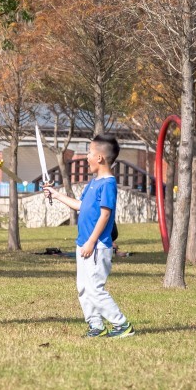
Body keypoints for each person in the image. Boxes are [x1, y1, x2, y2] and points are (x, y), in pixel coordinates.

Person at [44, 134, 134, 339]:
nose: (86, 157)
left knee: (95, 288)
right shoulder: (94, 183)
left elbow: (105, 214)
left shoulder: (108, 184)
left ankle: (122, 325)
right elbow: (81, 206)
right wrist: (57, 195)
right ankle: (96, 326)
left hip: (97, 246)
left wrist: (92, 241)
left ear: (100, 158)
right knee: (84, 288)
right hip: (83, 244)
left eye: (89, 153)